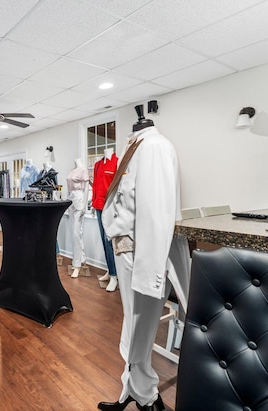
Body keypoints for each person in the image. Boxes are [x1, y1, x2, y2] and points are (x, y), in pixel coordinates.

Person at [98, 105, 181, 411]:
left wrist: (150, 269)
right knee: (133, 327)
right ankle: (134, 391)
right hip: (126, 250)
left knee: (139, 328)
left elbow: (157, 212)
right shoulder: (135, 145)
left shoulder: (155, 147)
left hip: (140, 252)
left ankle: (146, 395)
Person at [92, 148, 119, 291]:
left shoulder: (117, 162)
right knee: (103, 240)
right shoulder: (97, 164)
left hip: (110, 207)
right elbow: (95, 186)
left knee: (109, 240)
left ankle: (115, 275)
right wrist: (93, 202)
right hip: (98, 206)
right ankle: (110, 270)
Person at [66, 158, 90, 278]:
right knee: (75, 233)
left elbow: (86, 189)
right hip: (71, 199)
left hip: (79, 199)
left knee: (76, 233)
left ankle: (77, 264)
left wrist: (85, 205)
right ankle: (83, 258)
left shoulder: (83, 169)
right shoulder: (72, 170)